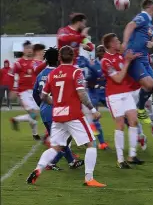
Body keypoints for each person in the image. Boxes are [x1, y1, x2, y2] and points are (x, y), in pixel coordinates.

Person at [26, 46, 105, 187]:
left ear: (59, 58)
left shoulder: (52, 74)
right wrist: (93, 109)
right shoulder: (76, 72)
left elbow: (43, 96)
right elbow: (81, 94)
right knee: (91, 144)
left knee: (55, 147)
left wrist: (55, 103)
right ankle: (89, 178)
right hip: (73, 114)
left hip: (57, 114)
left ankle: (38, 169)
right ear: (73, 57)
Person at [32, 47, 84, 170]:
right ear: (58, 59)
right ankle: (52, 163)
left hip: (45, 111)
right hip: (59, 111)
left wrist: (42, 105)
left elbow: (35, 93)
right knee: (63, 139)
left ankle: (70, 162)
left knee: (63, 139)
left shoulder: (41, 74)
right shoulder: (60, 73)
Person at [101, 33, 143, 168]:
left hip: (126, 92)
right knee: (119, 124)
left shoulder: (120, 55)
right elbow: (118, 78)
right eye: (117, 41)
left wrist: (132, 58)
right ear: (111, 44)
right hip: (114, 95)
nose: (119, 43)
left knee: (133, 120)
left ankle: (132, 155)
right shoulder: (105, 61)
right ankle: (120, 159)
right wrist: (128, 61)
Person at [122, 0, 153, 125]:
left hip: (144, 58)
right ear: (151, 7)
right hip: (135, 57)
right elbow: (130, 25)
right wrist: (125, 43)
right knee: (148, 85)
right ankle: (137, 110)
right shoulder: (143, 16)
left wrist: (151, 43)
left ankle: (140, 108)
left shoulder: (150, 25)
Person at [9, 41, 41, 140]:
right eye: (27, 48)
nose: (29, 50)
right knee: (33, 113)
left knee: (35, 115)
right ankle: (35, 134)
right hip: (24, 92)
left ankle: (15, 119)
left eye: (30, 48)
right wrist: (14, 90)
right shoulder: (18, 63)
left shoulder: (36, 62)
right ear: (23, 50)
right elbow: (13, 76)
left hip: (34, 92)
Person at [85, 45, 109, 150]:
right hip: (94, 92)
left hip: (107, 93)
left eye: (103, 50)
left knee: (120, 114)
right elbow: (89, 80)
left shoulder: (109, 62)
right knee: (94, 117)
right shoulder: (94, 64)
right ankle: (102, 143)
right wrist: (95, 84)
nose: (101, 52)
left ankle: (137, 134)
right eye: (99, 50)